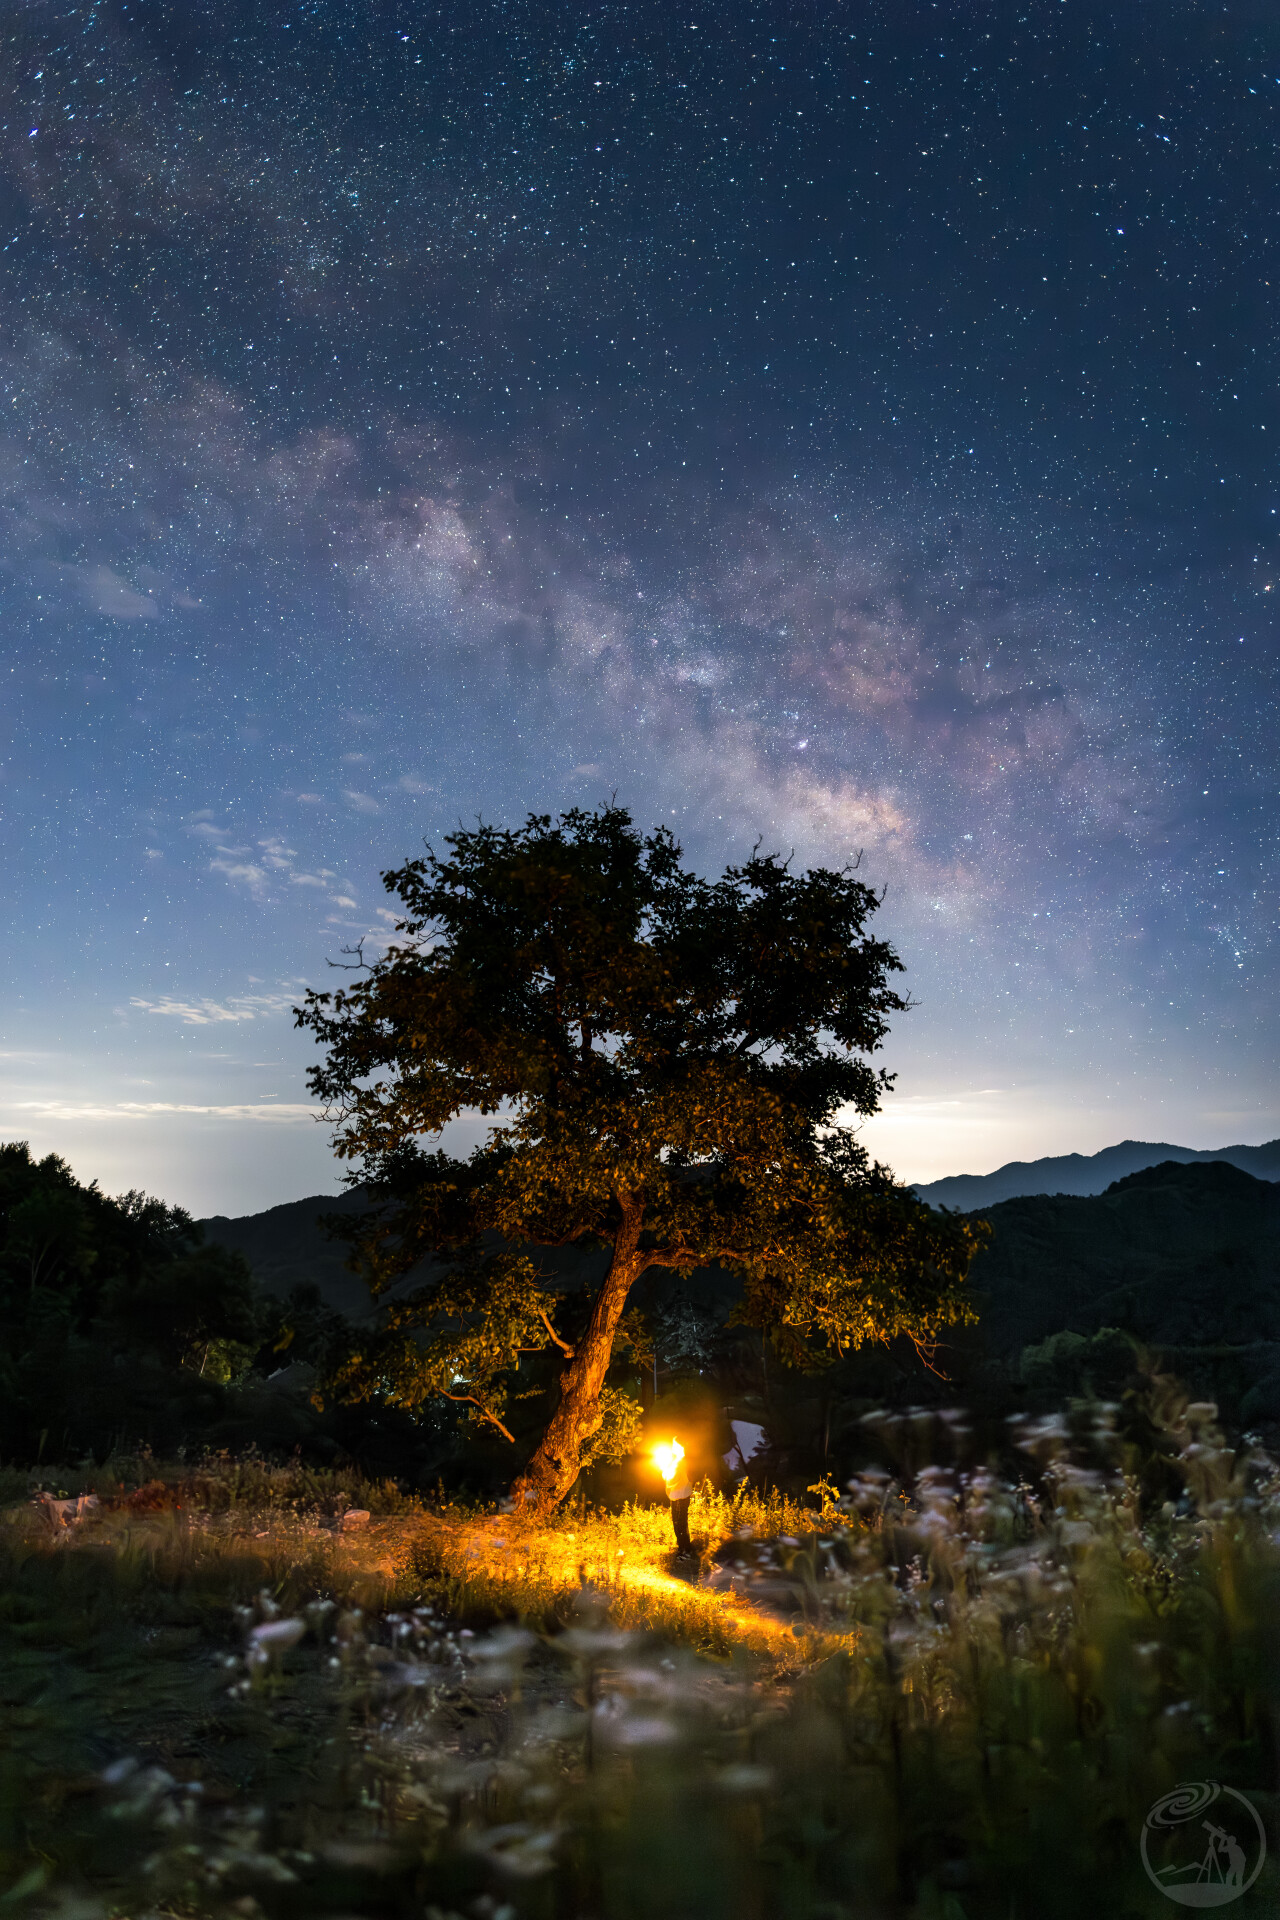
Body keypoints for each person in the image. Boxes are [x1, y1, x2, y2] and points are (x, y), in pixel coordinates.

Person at [660, 1446, 694, 1554]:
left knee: (680, 1522)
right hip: (677, 1496)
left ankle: (685, 1548)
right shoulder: (676, 1464)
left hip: (681, 1496)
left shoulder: (679, 1463)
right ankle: (683, 1546)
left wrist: (665, 1475)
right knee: (678, 1522)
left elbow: (674, 1480)